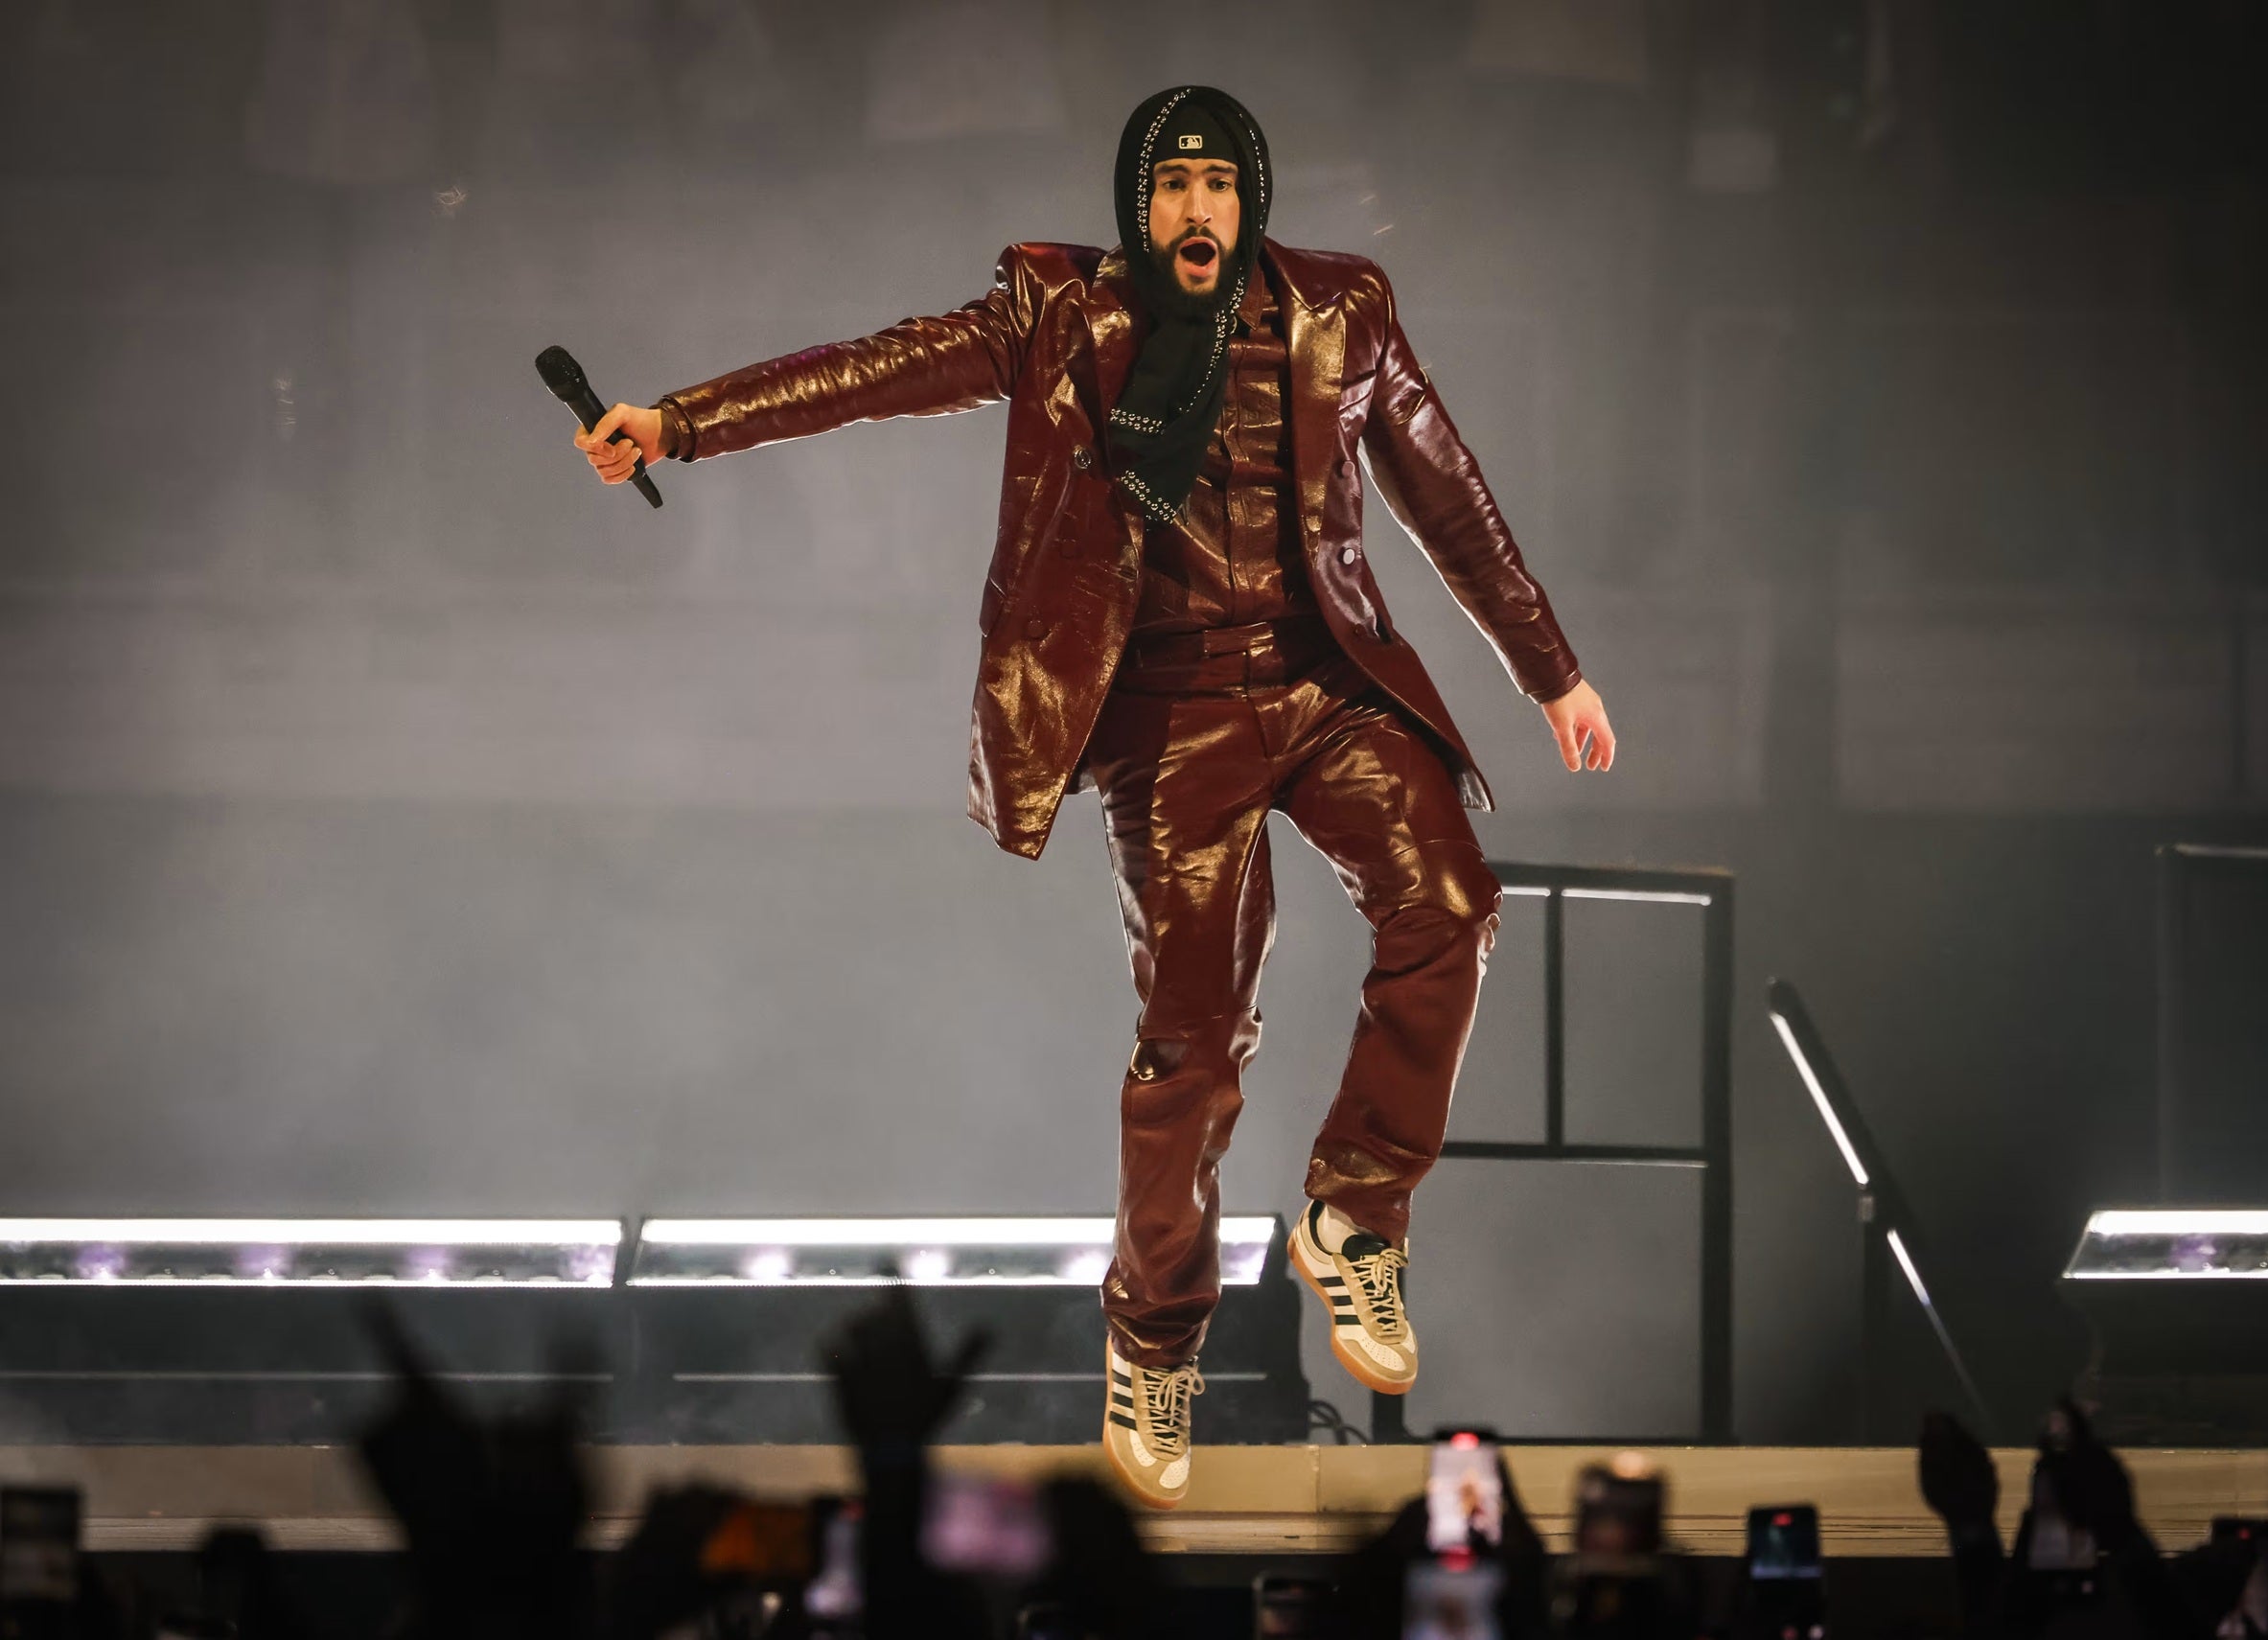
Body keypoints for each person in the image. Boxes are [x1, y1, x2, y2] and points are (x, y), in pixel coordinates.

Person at [572, 84, 1615, 1509]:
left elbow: (1448, 492)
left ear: (1252, 200)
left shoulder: (1341, 310)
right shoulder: (1061, 312)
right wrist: (680, 422)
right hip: (1173, 715)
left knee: (1450, 904)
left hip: (1326, 683)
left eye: (1219, 183)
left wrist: (1552, 671)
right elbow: (875, 370)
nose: (1198, 207)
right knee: (1195, 1044)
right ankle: (1154, 1342)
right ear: (1141, 204)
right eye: (1172, 184)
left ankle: (1356, 1215)